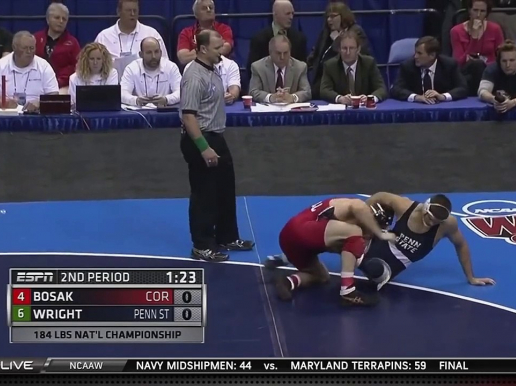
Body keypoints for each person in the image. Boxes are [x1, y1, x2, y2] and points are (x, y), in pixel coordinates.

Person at [179, 30, 254, 262]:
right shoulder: (194, 76)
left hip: (216, 135)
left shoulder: (213, 70)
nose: (221, 51)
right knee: (204, 192)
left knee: (224, 187)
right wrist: (203, 147)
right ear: (202, 49)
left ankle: (226, 236)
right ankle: (201, 244)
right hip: (199, 137)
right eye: (216, 47)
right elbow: (188, 116)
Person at [265, 197, 396, 306]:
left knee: (322, 276)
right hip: (298, 231)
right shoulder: (354, 207)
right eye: (375, 229)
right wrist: (381, 234)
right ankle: (348, 293)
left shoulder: (343, 232)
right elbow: (358, 206)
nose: (371, 235)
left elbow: (348, 255)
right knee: (355, 232)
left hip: (292, 243)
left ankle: (287, 281)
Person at [358, 192, 496, 291]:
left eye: (436, 222)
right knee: (345, 233)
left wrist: (471, 277)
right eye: (430, 219)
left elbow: (461, 244)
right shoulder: (405, 206)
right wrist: (366, 226)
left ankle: (356, 255)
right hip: (378, 241)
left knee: (373, 270)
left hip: (390, 265)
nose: (431, 224)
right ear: (425, 208)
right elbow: (379, 197)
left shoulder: (447, 224)